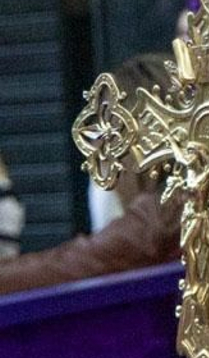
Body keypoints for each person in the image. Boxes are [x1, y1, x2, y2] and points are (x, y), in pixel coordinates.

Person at [0, 54, 182, 296]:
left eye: (108, 132)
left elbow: (72, 264)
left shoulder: (168, 209)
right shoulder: (175, 202)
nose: (98, 150)